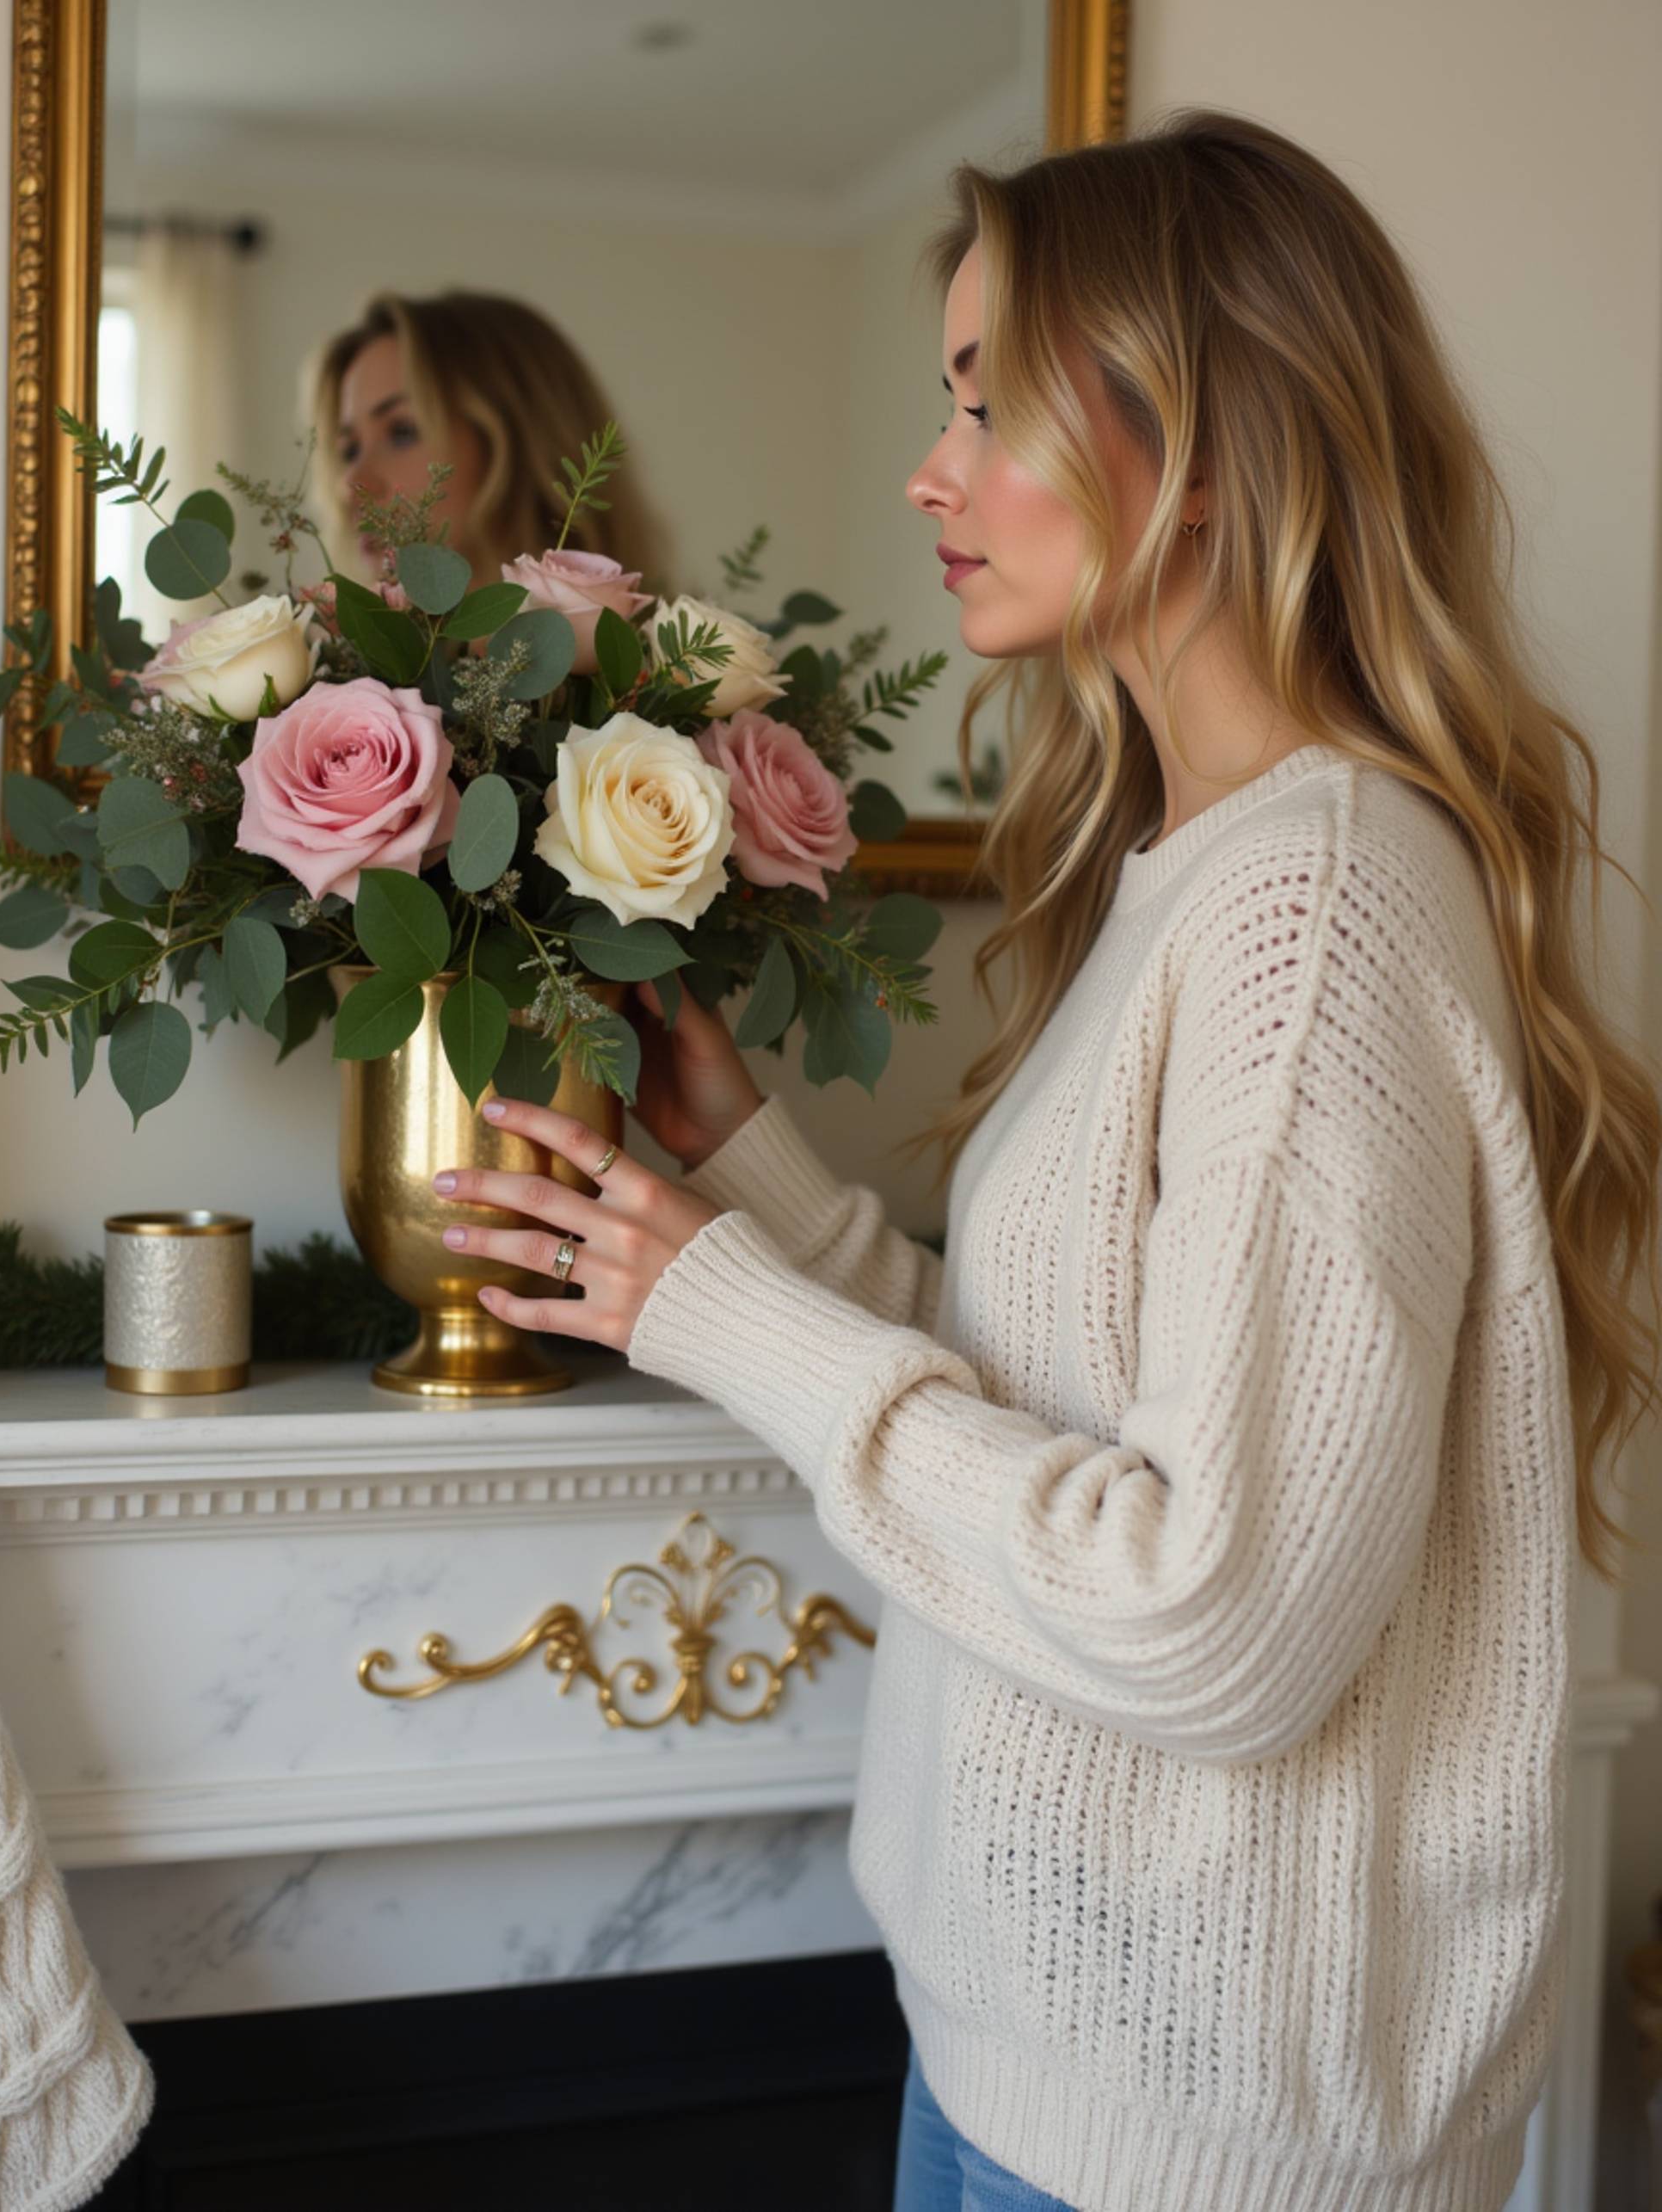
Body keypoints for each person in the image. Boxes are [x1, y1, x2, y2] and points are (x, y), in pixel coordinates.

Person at [428, 109, 1661, 2212]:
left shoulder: (1319, 907)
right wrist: (767, 1183)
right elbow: (1083, 1408)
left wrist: (710, 1308)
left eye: (987, 403)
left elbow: (1212, 1617)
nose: (931, 471)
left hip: (1188, 2153)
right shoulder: (1200, 874)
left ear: (1201, 428)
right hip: (1027, 2069)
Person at [311, 288, 672, 593]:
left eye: (402, 431)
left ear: (516, 442)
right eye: (349, 450)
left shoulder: (682, 670)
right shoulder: (316, 668)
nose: (351, 484)